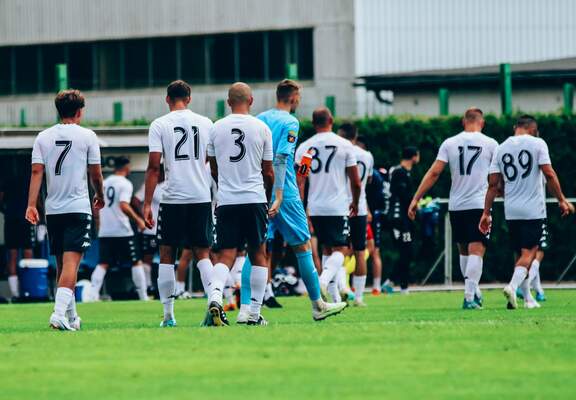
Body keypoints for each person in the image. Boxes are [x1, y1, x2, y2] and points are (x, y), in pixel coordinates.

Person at [256, 80, 347, 321]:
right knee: (309, 248)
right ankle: (320, 300)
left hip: (261, 190)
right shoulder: (293, 124)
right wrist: (283, 194)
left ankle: (250, 308)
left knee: (257, 249)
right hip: (289, 194)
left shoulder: (260, 119)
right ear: (294, 97)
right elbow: (290, 167)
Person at [26, 89, 104, 330]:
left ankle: (72, 317)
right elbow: (95, 174)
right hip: (78, 207)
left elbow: (36, 172)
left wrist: (31, 204)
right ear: (79, 111)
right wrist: (99, 195)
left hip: (53, 210)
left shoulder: (43, 137)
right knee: (72, 265)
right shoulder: (87, 136)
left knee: (62, 264)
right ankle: (58, 314)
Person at [479, 115, 574, 309]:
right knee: (530, 252)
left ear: (516, 127)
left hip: (511, 209)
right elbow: (549, 174)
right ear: (533, 129)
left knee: (519, 254)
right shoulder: (538, 144)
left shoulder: (501, 147)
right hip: (533, 209)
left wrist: (486, 212)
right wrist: (561, 200)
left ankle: (528, 298)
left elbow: (493, 185)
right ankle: (513, 287)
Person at [408, 108, 497, 309]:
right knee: (477, 250)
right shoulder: (491, 143)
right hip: (479, 204)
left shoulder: (450, 143)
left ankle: (474, 292)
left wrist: (416, 198)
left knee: (464, 251)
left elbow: (434, 173)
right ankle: (469, 297)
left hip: (456, 205)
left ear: (463, 122)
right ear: (482, 123)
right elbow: (496, 178)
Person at [143, 80, 215, 327]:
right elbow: (210, 159)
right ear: (189, 98)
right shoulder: (206, 123)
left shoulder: (159, 124)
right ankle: (213, 303)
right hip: (201, 196)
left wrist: (147, 204)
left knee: (167, 254)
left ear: (167, 99)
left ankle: (168, 316)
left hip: (173, 197)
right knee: (203, 253)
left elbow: (154, 167)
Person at [205, 82, 274, 326]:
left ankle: (215, 297)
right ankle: (254, 313)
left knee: (225, 255)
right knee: (258, 254)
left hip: (227, 200)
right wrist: (267, 197)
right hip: (255, 197)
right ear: (251, 101)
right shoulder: (262, 128)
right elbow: (268, 172)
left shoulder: (216, 127)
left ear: (228, 102)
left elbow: (213, 168)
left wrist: (223, 187)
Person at [295, 107, 361, 301]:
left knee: (327, 250)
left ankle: (334, 299)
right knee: (342, 249)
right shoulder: (345, 145)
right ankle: (323, 281)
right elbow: (356, 181)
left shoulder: (306, 147)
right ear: (331, 120)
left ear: (313, 123)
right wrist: (355, 202)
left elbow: (300, 180)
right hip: (337, 206)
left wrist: (302, 207)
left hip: (315, 207)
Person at [89, 156, 148, 301]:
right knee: (136, 261)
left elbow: (95, 206)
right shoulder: (125, 184)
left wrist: (99, 224)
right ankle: (143, 296)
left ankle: (92, 296)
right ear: (127, 167)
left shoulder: (104, 183)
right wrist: (138, 220)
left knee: (103, 263)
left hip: (106, 231)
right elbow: (123, 205)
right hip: (122, 230)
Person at [337, 122, 374, 306]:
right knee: (360, 251)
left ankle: (341, 289)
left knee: (338, 250)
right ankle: (359, 297)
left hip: (341, 207)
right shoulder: (367, 155)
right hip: (360, 207)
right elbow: (368, 180)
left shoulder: (341, 151)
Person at [0, 169, 36, 300]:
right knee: (26, 254)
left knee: (14, 256)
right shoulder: (31, 179)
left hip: (14, 219)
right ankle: (26, 291)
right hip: (24, 219)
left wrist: (5, 210)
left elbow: (1, 198)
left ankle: (17, 293)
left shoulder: (6, 180)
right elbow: (36, 199)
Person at [388, 146, 420, 293]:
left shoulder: (405, 172)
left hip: (404, 218)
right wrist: (414, 203)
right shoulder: (399, 172)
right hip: (399, 218)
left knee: (407, 251)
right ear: (414, 156)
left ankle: (390, 282)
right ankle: (403, 286)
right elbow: (402, 195)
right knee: (405, 251)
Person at [133, 165, 166, 294]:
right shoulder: (149, 186)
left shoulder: (168, 185)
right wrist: (143, 217)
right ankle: (147, 287)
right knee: (148, 257)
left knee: (166, 257)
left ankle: (166, 288)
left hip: (165, 229)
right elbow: (135, 201)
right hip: (150, 229)